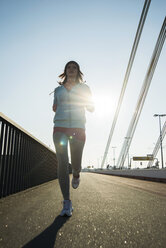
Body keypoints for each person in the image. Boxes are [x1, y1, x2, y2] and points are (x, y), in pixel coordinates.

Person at [52, 61, 94, 217]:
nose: (71, 70)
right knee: (62, 163)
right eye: (68, 67)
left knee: (75, 163)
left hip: (78, 128)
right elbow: (55, 106)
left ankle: (76, 174)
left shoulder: (84, 88)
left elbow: (91, 108)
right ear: (65, 71)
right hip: (60, 129)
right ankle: (67, 202)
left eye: (74, 67)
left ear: (78, 71)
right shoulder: (58, 90)